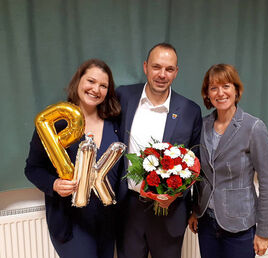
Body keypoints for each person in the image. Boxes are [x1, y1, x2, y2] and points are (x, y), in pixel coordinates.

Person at [25, 59, 121, 258]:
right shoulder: (55, 123)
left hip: (106, 221)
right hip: (71, 221)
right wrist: (54, 184)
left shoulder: (114, 124)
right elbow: (32, 168)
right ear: (78, 81)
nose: (96, 89)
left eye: (103, 85)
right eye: (91, 81)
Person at [115, 43, 202, 258]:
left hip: (169, 211)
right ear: (145, 67)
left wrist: (177, 193)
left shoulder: (190, 111)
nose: (162, 74)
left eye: (169, 69)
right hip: (128, 208)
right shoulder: (123, 97)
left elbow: (195, 163)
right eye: (156, 67)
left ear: (176, 72)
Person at [188, 64, 268, 258]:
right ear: (207, 94)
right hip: (206, 223)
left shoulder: (254, 127)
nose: (220, 93)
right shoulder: (202, 125)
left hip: (240, 226)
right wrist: (195, 211)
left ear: (236, 90)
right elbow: (200, 174)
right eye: (213, 88)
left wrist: (263, 232)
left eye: (226, 86)